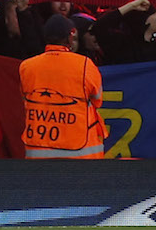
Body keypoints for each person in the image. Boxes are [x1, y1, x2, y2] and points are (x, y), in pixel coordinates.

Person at [19, 14, 105, 159]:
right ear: (70, 37)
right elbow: (97, 99)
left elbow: (25, 99)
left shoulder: (26, 66)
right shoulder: (85, 64)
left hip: (38, 152)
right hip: (81, 153)